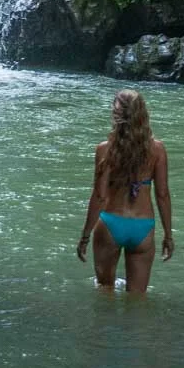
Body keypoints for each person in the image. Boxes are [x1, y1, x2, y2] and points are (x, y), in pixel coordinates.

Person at [76, 89, 173, 293]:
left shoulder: (105, 149)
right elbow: (162, 194)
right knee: (138, 298)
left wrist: (85, 235)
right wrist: (168, 235)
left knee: (104, 291)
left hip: (111, 223)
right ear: (143, 114)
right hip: (143, 227)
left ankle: (105, 326)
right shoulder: (158, 150)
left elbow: (100, 196)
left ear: (116, 115)